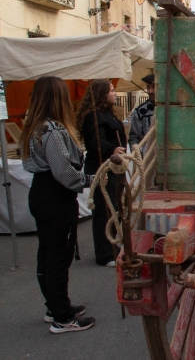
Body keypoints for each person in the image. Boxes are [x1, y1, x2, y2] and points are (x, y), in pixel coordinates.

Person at [20, 76, 96, 333]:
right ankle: (62, 317)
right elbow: (64, 172)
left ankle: (55, 306)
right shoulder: (52, 130)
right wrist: (92, 180)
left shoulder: (34, 127)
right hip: (55, 196)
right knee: (57, 256)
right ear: (58, 98)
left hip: (41, 193)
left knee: (48, 253)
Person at [76, 80, 127, 267]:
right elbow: (96, 142)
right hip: (101, 167)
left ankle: (114, 246)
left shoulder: (107, 113)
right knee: (105, 211)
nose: (115, 93)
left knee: (115, 208)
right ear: (101, 94)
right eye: (112, 91)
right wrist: (112, 150)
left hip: (114, 167)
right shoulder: (93, 116)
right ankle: (105, 254)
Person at [128, 73, 155, 149]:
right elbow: (134, 138)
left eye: (154, 87)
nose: (150, 91)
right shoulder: (141, 111)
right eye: (148, 87)